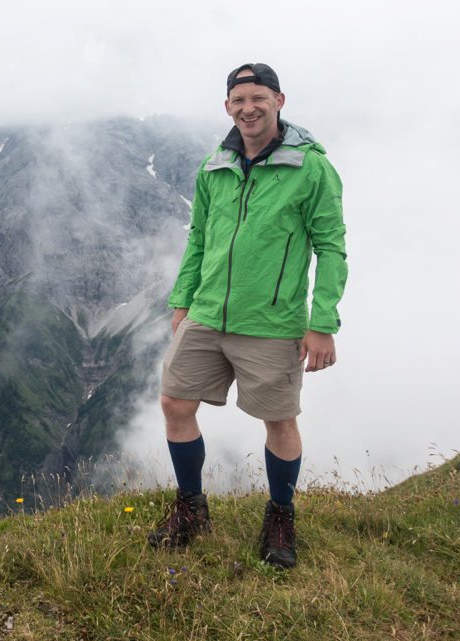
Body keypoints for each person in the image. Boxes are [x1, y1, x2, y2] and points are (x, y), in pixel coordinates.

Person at [146, 62, 347, 569]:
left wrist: (321, 322)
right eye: (239, 101)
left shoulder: (311, 168)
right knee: (175, 404)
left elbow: (332, 248)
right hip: (207, 312)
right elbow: (198, 237)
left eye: (258, 98)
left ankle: (280, 516)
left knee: (279, 420)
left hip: (272, 321)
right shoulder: (215, 165)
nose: (248, 108)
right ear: (228, 107)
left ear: (279, 101)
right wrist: (182, 299)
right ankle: (192, 508)